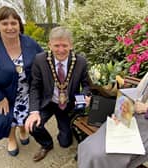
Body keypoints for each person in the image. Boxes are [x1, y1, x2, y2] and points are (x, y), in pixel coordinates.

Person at [0, 6, 43, 156]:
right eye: (5, 23)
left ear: (19, 25)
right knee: (8, 118)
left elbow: (43, 60)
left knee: (25, 114)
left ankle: (23, 129)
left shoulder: (29, 42)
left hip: (25, 90)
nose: (10, 27)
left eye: (13, 23)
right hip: (2, 92)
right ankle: (11, 138)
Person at [25, 26, 92, 162]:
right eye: (56, 45)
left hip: (67, 104)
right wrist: (34, 112)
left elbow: (86, 85)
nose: (61, 50)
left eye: (64, 45)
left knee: (65, 143)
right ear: (49, 45)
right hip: (48, 102)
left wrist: (85, 96)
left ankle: (66, 132)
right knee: (32, 126)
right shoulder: (39, 60)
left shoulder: (80, 62)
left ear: (71, 45)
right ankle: (46, 144)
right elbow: (35, 87)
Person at [78, 100, 148, 168]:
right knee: (89, 146)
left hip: (143, 126)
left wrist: (146, 109)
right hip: (133, 115)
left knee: (101, 154)